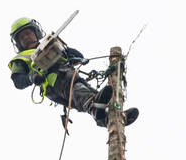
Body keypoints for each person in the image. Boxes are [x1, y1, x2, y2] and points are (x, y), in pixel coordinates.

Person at [8, 17, 138, 127]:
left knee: (94, 94)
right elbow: (18, 81)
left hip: (71, 76)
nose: (26, 38)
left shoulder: (49, 46)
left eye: (28, 33)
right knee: (80, 94)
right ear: (19, 43)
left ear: (35, 33)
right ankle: (95, 108)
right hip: (54, 83)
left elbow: (76, 55)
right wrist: (32, 78)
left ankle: (113, 118)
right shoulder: (21, 59)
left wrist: (66, 52)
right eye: (22, 37)